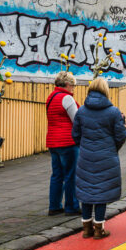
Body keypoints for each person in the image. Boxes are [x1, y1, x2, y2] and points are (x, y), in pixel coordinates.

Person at [73, 77, 126, 239]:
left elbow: (75, 134)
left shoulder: (81, 111)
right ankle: (99, 229)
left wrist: (84, 147)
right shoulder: (113, 112)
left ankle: (86, 228)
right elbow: (120, 135)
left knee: (86, 192)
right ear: (105, 90)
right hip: (107, 157)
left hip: (86, 157)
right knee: (101, 193)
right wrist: (112, 149)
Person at [46, 71, 80, 216]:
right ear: (67, 84)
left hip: (53, 142)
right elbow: (77, 121)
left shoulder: (50, 97)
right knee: (71, 175)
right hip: (68, 142)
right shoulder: (67, 98)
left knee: (57, 175)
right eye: (72, 85)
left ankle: (54, 206)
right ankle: (71, 206)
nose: (73, 88)